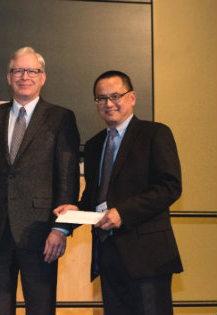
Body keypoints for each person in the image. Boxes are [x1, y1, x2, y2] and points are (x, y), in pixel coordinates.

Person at [0, 46, 80, 315]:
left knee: (40, 307)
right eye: (18, 70)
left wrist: (61, 229)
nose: (24, 76)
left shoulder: (61, 118)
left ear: (43, 77)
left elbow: (67, 177)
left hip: (41, 234)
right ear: (8, 77)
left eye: (32, 71)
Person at [54, 70, 183, 315]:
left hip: (147, 256)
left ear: (132, 97)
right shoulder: (93, 145)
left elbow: (170, 186)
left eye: (115, 96)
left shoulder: (155, 133)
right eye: (101, 98)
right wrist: (75, 211)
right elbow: (95, 197)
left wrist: (123, 213)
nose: (108, 103)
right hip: (108, 255)